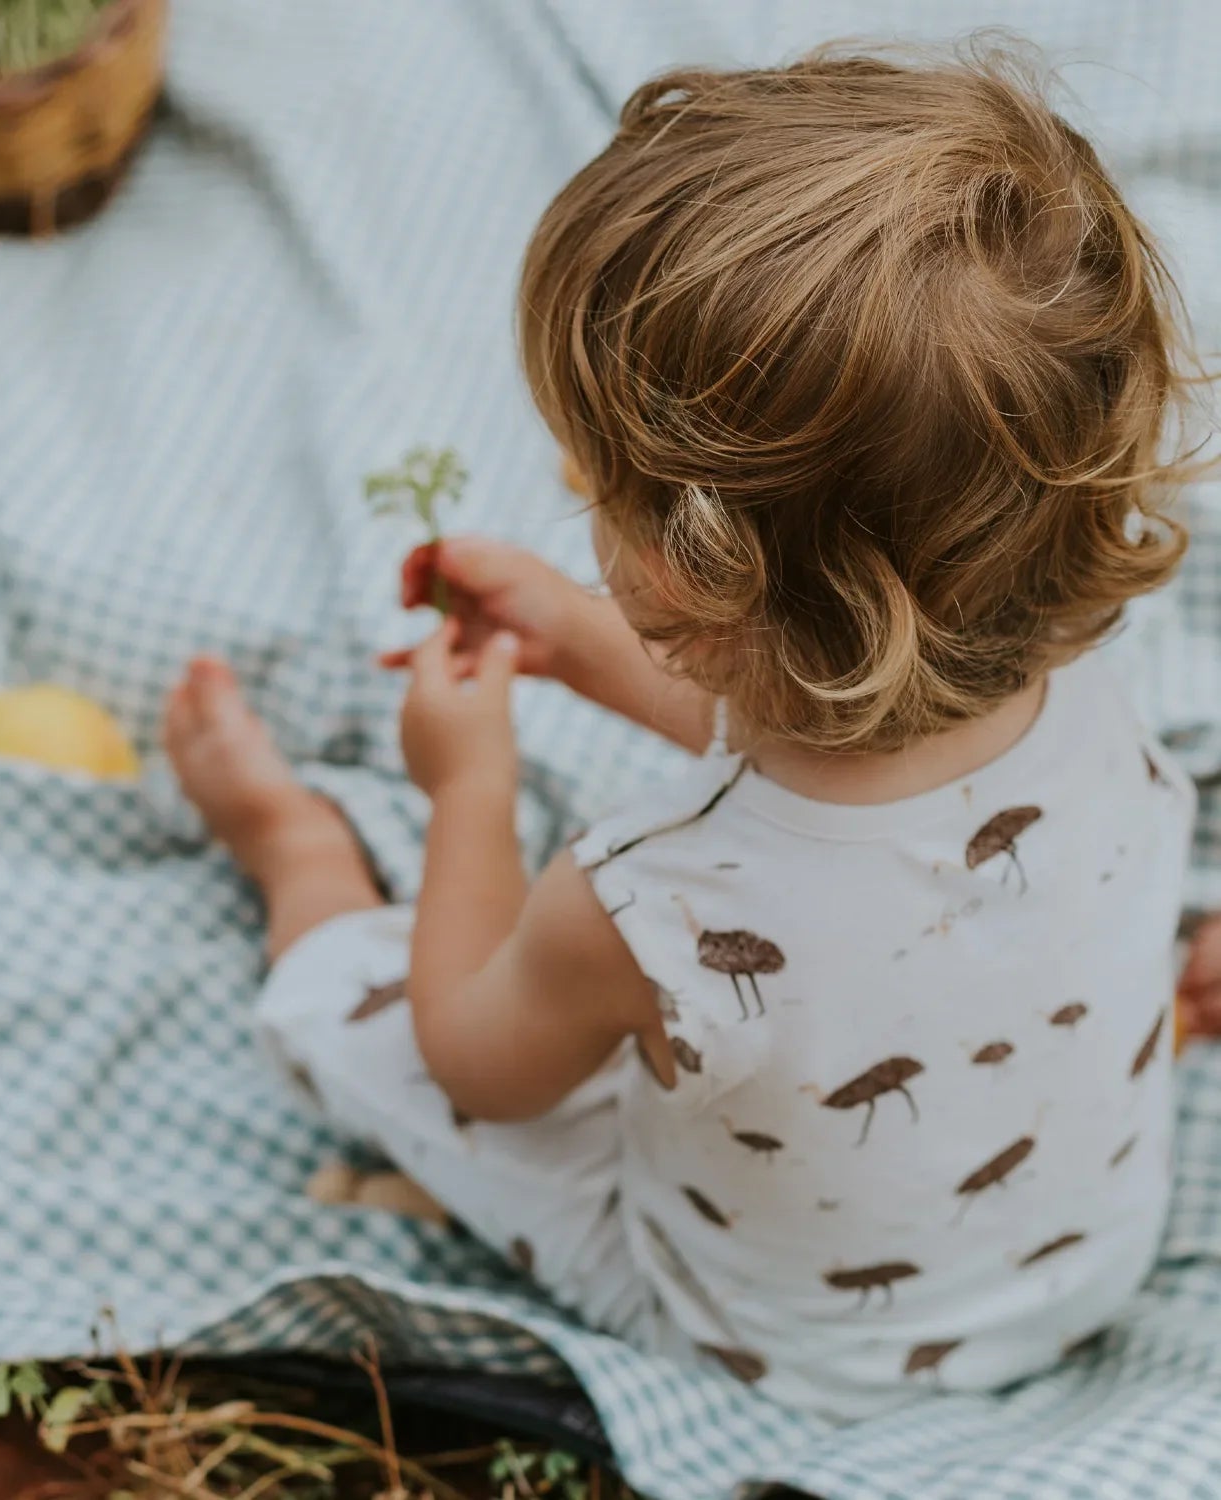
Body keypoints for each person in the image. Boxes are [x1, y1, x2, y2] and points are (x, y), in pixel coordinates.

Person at [165, 48, 1204, 1417]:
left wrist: (467, 786)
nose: (564, 483)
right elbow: (827, 722)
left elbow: (480, 1066)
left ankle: (296, 856)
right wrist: (585, 642)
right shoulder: (1084, 692)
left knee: (366, 1027)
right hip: (1073, 1268)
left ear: (699, 582)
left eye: (598, 482)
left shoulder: (645, 902)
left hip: (777, 1344)